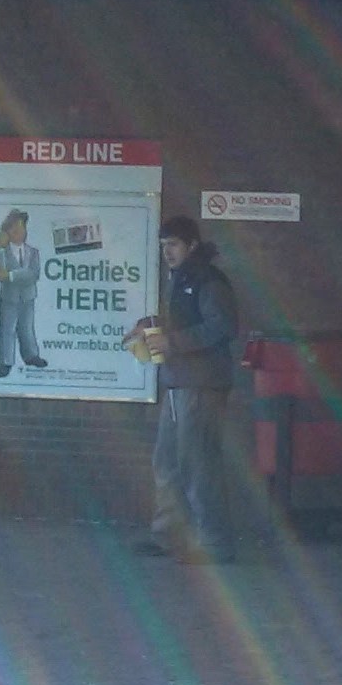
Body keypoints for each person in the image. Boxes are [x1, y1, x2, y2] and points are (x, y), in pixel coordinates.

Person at [132, 215, 239, 562]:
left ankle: (214, 543)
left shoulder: (208, 280)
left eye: (173, 245)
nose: (167, 252)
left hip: (202, 385)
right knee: (167, 461)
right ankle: (168, 535)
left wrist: (171, 340)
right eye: (164, 246)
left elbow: (222, 327)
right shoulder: (178, 278)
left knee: (198, 463)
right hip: (177, 383)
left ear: (191, 245)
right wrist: (151, 328)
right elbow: (186, 322)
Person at [0, 212, 47, 376]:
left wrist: (11, 275)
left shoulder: (33, 252)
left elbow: (33, 274)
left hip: (28, 297)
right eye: (15, 229)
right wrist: (0, 248)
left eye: (22, 228)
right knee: (7, 330)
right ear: (7, 232)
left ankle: (31, 355)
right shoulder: (2, 251)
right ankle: (5, 361)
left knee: (27, 328)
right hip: (9, 298)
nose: (20, 232)